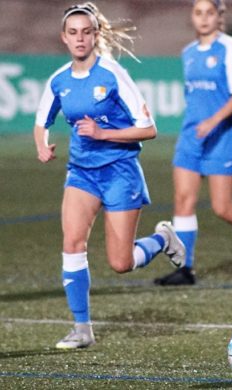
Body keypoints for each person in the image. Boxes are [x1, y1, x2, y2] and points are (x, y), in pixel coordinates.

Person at [33, 2, 186, 349]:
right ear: (64, 38)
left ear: (96, 34)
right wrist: (42, 145)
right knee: (72, 243)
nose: (80, 38)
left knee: (121, 263)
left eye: (86, 31)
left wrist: (103, 135)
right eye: (73, 33)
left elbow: (148, 129)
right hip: (82, 173)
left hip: (120, 171)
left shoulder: (113, 74)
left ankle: (162, 238)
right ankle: (82, 329)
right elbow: (42, 121)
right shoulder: (59, 80)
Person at [153, 0, 232, 286]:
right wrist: (199, 124)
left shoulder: (229, 48)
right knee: (183, 201)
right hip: (191, 137)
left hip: (221, 136)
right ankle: (185, 268)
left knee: (223, 207)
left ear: (219, 16)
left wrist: (212, 121)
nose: (203, 18)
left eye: (209, 13)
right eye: (198, 13)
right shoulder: (187, 53)